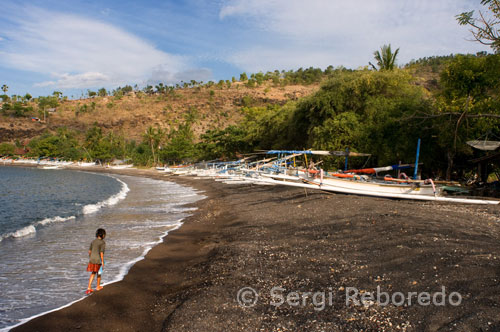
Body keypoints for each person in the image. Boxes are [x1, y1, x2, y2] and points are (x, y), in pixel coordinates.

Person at [86, 228, 106, 294]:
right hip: (98, 259)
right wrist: (102, 262)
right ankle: (98, 286)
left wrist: (91, 258)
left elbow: (89, 251)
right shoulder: (102, 243)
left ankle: (89, 287)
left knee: (93, 273)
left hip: (92, 259)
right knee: (99, 273)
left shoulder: (93, 241)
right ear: (103, 235)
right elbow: (101, 253)